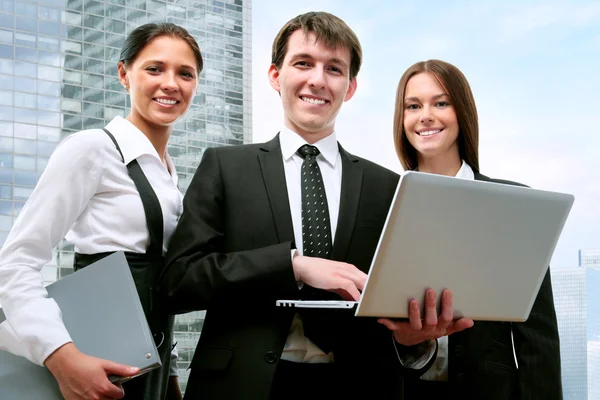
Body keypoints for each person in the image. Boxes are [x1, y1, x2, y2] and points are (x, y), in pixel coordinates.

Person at [159, 13, 472, 400]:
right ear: (275, 75)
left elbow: (395, 304)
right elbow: (179, 281)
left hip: (359, 386)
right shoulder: (225, 167)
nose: (318, 80)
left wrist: (412, 338)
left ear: (350, 87)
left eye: (334, 69)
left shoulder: (387, 187)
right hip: (242, 385)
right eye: (303, 63)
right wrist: (292, 266)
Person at [0, 22, 203, 400]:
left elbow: (162, 284)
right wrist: (62, 357)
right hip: (90, 363)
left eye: (185, 73)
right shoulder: (92, 149)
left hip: (149, 366)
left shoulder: (168, 175)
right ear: (124, 74)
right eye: (155, 68)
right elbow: (16, 263)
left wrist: (171, 376)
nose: (171, 83)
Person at [389, 59, 562, 398]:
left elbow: (538, 338)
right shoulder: (382, 204)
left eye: (441, 103)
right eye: (413, 106)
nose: (425, 115)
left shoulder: (513, 205)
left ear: (462, 113)